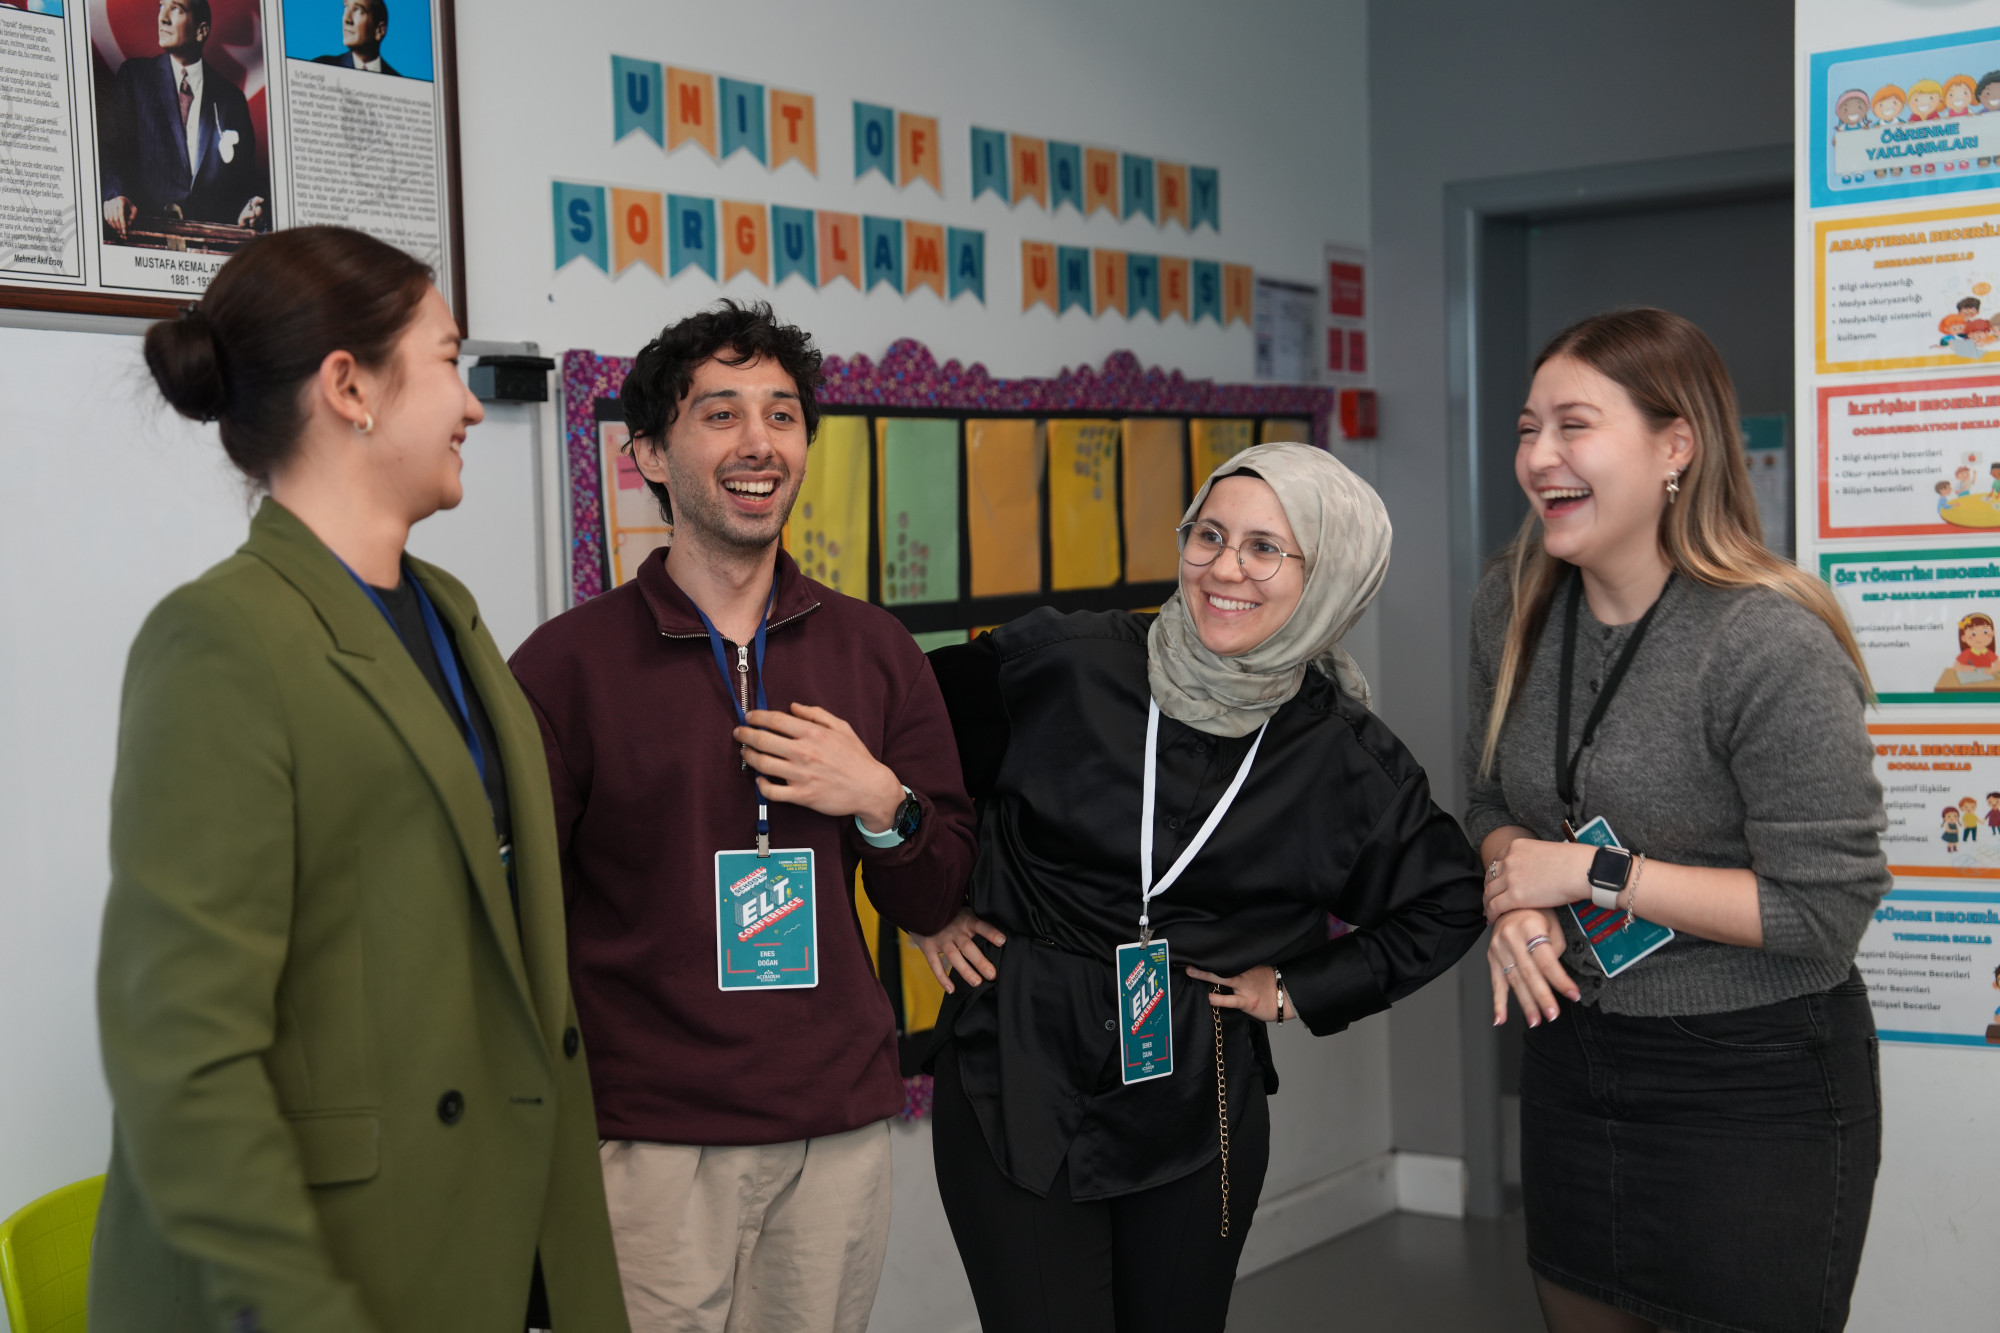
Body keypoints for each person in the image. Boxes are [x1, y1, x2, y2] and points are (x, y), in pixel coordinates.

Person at [90, 226, 627, 1332]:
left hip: (500, 1233)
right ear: (350, 388)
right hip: (338, 1268)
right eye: (448, 360)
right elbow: (182, 1054)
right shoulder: (220, 639)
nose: (472, 405)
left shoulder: (449, 612)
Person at [913, 442, 1487, 1333]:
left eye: (1265, 548)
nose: (1224, 568)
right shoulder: (1066, 662)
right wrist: (926, 900)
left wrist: (1296, 988)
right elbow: (896, 736)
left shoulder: (1342, 757)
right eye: (1208, 535)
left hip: (1196, 1092)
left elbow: (1449, 898)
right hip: (1017, 1063)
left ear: (1329, 577)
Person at [508, 300, 977, 1333]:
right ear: (649, 455)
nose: (759, 442)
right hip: (649, 1135)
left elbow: (937, 890)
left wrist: (880, 800)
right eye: (720, 414)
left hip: (835, 1127)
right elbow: (511, 909)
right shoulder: (566, 665)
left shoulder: (874, 651)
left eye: (782, 414)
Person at [1467, 308, 1887, 1333]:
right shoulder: (1512, 608)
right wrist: (1513, 894)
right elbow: (1487, 805)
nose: (1538, 456)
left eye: (1573, 425)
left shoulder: (1766, 641)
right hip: (1572, 1056)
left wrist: (1590, 876)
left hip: (1753, 1085)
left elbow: (1822, 912)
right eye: (1527, 429)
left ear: (1675, 446)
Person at [100, 0, 267, 237]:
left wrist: (248, 208)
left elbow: (244, 184)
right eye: (161, 6)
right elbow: (112, 152)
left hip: (209, 241)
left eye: (176, 8)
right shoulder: (135, 77)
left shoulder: (231, 98)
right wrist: (115, 195)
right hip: (144, 234)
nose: (163, 18)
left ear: (201, 31)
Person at [315, 0, 401, 75]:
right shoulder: (320, 68)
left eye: (358, 10)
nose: (347, 19)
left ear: (379, 30)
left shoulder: (399, 83)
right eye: (346, 7)